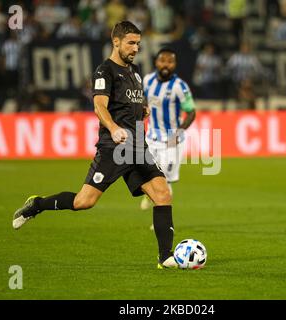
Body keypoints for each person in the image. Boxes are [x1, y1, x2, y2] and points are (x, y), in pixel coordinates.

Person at [12, 21, 178, 269]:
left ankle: (165, 257)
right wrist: (113, 128)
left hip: (137, 147)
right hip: (114, 148)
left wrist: (141, 110)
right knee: (84, 202)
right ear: (116, 42)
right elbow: (99, 106)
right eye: (131, 43)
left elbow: (130, 105)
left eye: (138, 44)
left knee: (162, 194)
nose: (135, 48)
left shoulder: (135, 73)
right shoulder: (105, 71)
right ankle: (37, 204)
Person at [140, 48, 196, 218]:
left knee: (165, 180)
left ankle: (161, 219)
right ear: (156, 62)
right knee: (147, 174)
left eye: (170, 61)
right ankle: (148, 195)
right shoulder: (147, 80)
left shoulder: (180, 87)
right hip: (151, 138)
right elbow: (142, 100)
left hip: (171, 140)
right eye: (162, 60)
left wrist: (178, 133)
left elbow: (191, 112)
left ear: (175, 64)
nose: (166, 64)